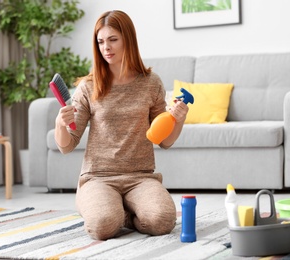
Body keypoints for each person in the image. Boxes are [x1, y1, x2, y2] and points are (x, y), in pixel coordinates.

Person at [54, 10, 189, 240]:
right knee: (102, 226)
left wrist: (179, 119)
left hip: (141, 177)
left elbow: (164, 141)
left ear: (128, 39)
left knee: (162, 220)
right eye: (100, 41)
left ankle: (124, 212)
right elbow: (67, 146)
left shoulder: (151, 83)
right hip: (98, 178)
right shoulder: (88, 87)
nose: (106, 47)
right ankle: (108, 208)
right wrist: (60, 123)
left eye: (113, 39)